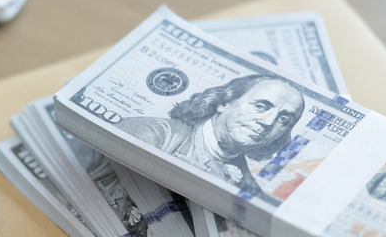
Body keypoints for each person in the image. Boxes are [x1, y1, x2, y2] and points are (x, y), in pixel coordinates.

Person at [116, 74, 305, 194]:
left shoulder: (248, 188)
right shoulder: (153, 133)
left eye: (284, 120)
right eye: (261, 106)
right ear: (224, 102)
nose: (267, 122)